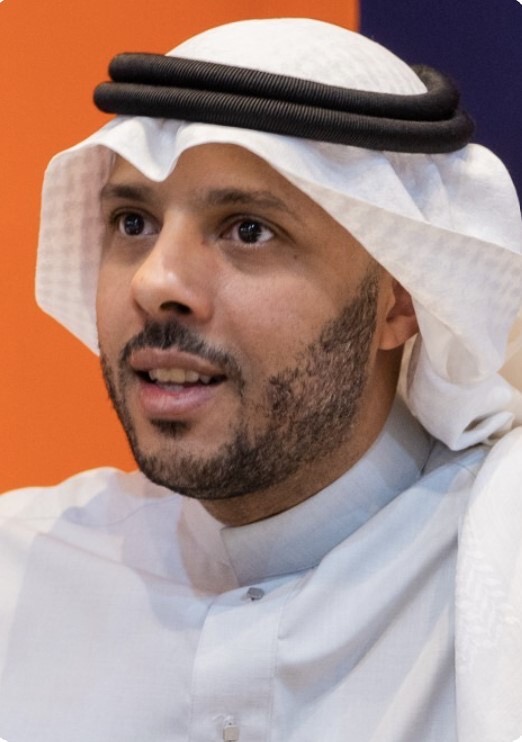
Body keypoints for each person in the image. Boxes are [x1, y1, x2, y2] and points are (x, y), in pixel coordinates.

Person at [0, 17, 521, 742]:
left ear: (400, 299)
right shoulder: (19, 570)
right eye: (133, 222)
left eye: (248, 230)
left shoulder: (501, 560)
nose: (155, 283)